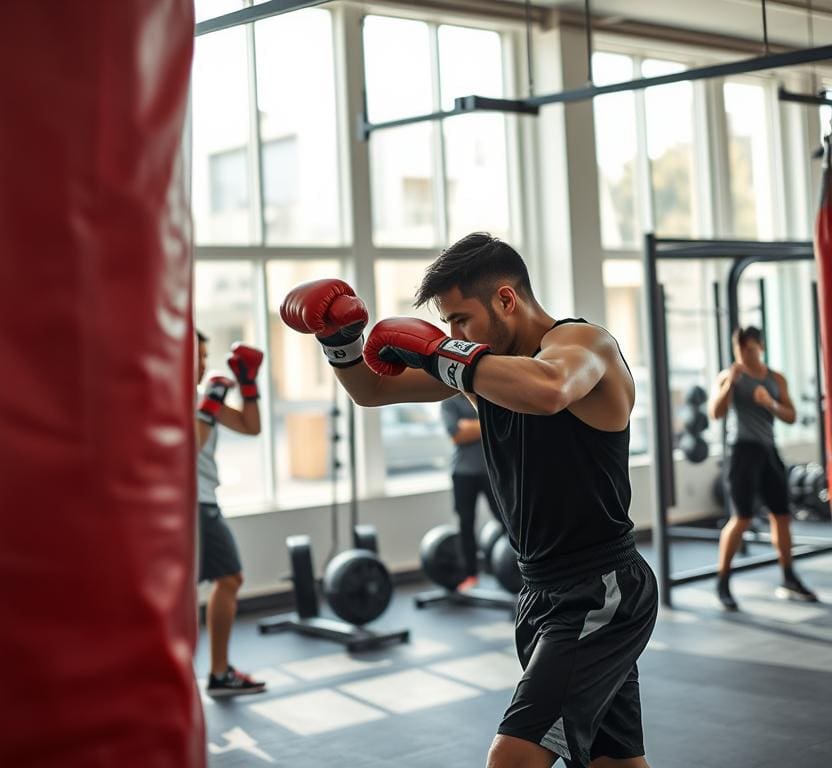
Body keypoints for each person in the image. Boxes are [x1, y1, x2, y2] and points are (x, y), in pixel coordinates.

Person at [281, 233, 658, 768]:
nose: (454, 335)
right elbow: (372, 391)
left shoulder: (584, 343)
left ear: (506, 299)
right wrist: (339, 342)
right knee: (614, 762)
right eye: (447, 325)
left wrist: (441, 353)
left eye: (461, 320)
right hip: (540, 591)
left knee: (511, 759)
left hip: (600, 591)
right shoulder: (486, 373)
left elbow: (550, 388)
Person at [710, 326, 818, 611]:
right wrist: (729, 384)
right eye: (739, 350)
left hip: (769, 451)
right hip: (741, 453)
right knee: (741, 518)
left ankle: (789, 578)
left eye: (749, 350)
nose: (744, 355)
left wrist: (770, 403)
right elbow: (715, 413)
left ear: (761, 348)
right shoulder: (729, 376)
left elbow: (791, 416)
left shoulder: (775, 379)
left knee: (781, 517)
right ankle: (722, 581)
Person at [195, 331, 267, 697]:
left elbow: (251, 427)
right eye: (197, 356)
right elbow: (192, 445)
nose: (203, 364)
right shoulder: (166, 397)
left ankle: (218, 672)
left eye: (206, 357)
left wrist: (248, 385)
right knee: (229, 577)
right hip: (190, 503)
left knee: (227, 579)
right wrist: (211, 402)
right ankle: (217, 673)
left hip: (203, 500)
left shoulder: (199, 396)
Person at [441, 393, 503, 591]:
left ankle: (513, 567)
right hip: (463, 473)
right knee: (465, 523)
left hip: (491, 470)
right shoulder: (449, 401)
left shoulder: (485, 394)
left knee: (507, 520)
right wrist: (487, 422)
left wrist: (471, 426)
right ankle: (470, 575)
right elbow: (457, 435)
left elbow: (503, 423)